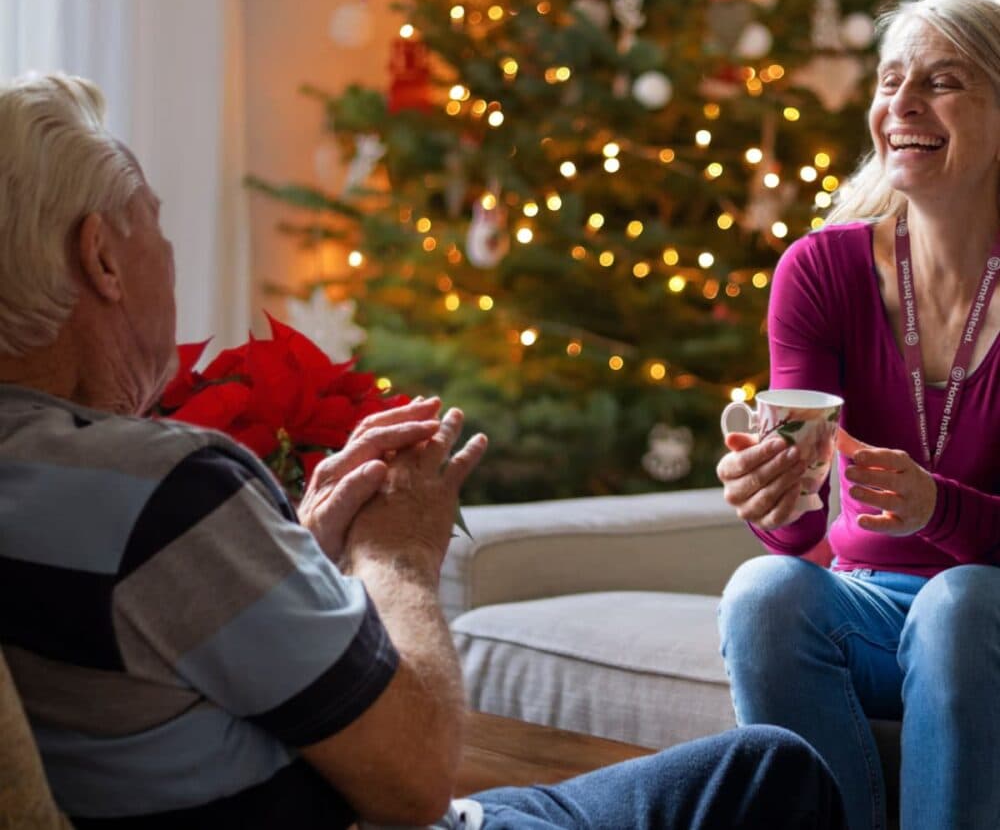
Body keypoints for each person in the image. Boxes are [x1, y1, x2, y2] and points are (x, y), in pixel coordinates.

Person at [0, 72, 846, 830]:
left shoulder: (63, 487)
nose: (171, 255)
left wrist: (295, 550)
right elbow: (412, 782)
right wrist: (398, 556)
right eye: (155, 227)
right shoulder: (164, 493)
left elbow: (165, 663)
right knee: (771, 768)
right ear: (102, 257)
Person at [715, 0, 1000, 830]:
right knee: (763, 591)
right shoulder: (821, 270)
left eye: (942, 82)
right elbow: (799, 538)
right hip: (870, 603)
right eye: (891, 81)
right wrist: (772, 495)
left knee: (960, 605)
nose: (902, 105)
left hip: (986, 610)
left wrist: (937, 509)